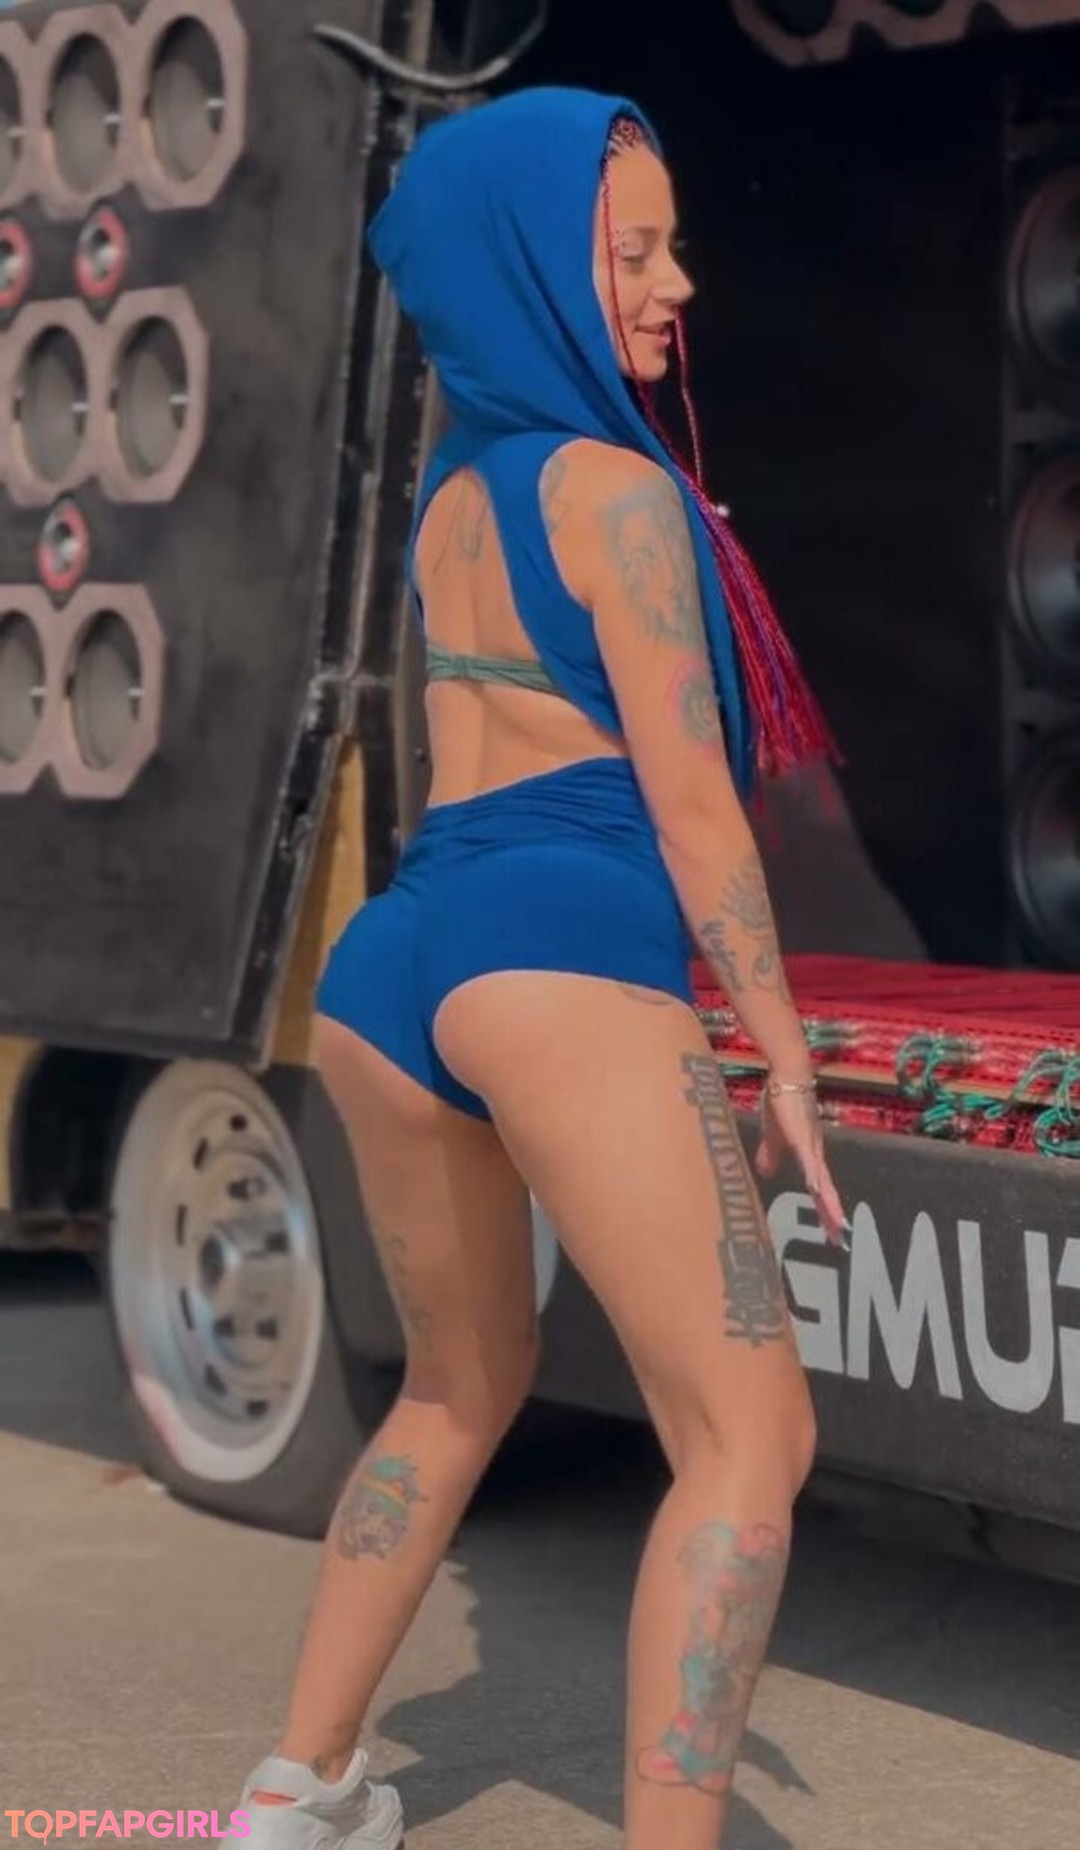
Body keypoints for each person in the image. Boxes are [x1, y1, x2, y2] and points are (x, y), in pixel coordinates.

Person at [229, 85, 846, 1850]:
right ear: (532, 271)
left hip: (399, 966)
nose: (679, 284)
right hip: (558, 961)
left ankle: (297, 1789)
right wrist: (786, 1049)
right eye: (633, 253)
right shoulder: (621, 498)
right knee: (749, 1438)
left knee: (454, 1385)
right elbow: (697, 815)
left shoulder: (454, 497)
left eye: (672, 247)